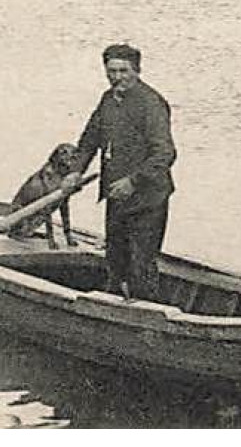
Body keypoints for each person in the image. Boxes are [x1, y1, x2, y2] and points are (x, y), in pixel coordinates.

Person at [70, 42, 176, 302]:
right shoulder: (108, 99)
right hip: (117, 197)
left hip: (147, 200)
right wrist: (75, 171)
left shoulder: (151, 104)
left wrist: (133, 181)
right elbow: (89, 139)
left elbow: (165, 154)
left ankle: (146, 314)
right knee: (115, 261)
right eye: (112, 71)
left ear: (137, 71)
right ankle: (112, 307)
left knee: (141, 266)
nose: (117, 77)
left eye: (123, 71)